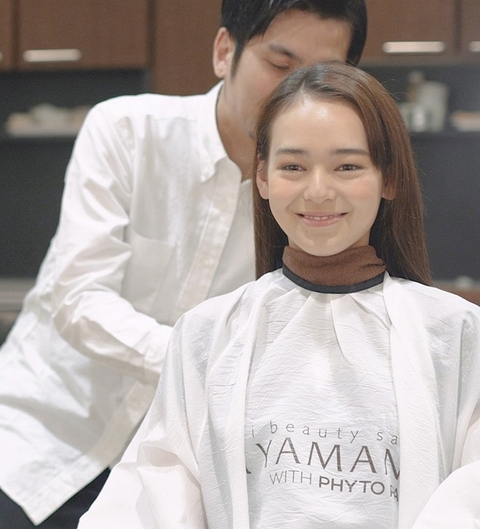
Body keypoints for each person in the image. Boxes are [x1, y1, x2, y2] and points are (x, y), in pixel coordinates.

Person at [0, 1, 369, 527]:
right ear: (224, 51)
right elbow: (78, 298)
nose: (298, 95)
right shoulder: (128, 131)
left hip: (174, 474)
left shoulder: (324, 199)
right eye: (279, 64)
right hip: (39, 441)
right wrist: (203, 364)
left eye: (322, 75)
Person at [78, 62, 480, 529]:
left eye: (347, 166)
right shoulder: (207, 335)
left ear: (388, 178)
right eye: (293, 167)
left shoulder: (456, 333)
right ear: (263, 178)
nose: (318, 191)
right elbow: (157, 495)